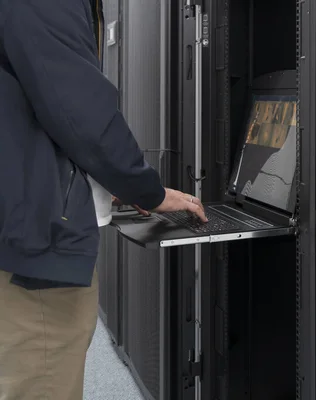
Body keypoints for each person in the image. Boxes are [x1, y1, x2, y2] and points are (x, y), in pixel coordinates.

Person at [0, 0, 207, 399]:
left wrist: (96, 180)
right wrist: (148, 190)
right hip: (36, 251)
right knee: (44, 378)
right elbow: (82, 115)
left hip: (25, 230)